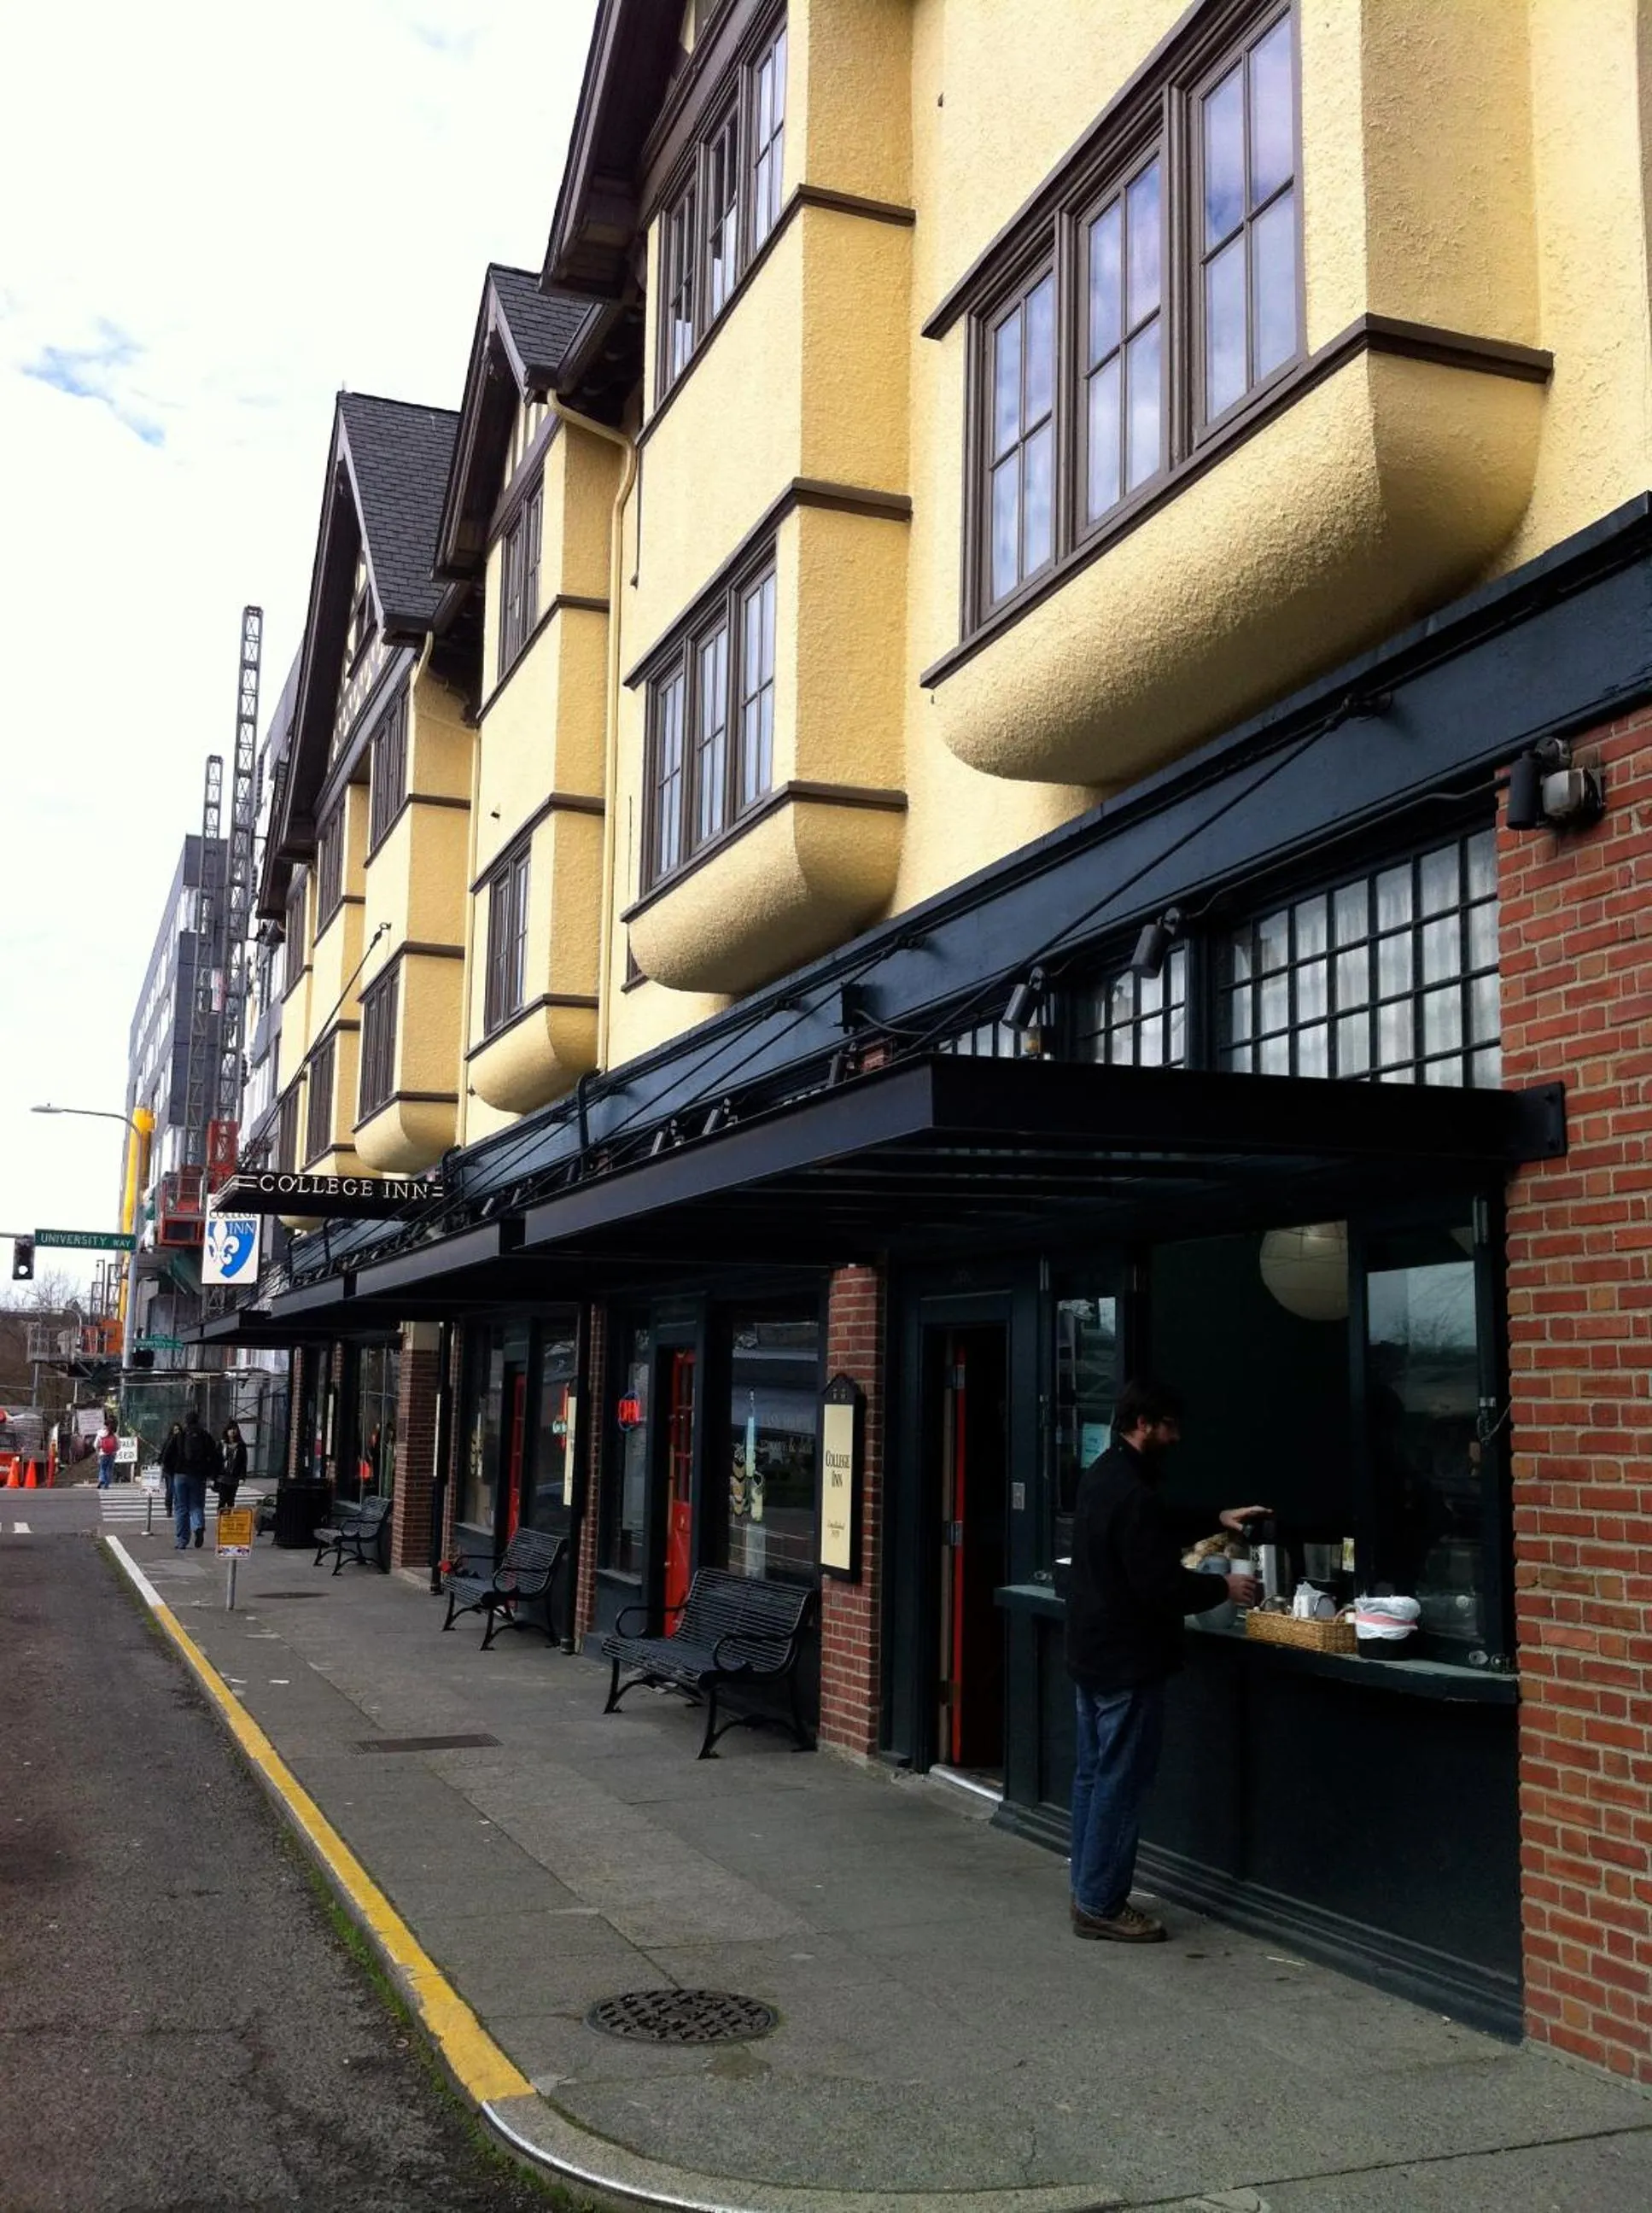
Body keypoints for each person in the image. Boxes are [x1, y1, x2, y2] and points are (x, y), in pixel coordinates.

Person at [1065, 1378, 1267, 1944]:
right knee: (1120, 1784)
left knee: (1091, 1777)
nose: (1176, 1437)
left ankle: (1087, 1889)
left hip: (1090, 1650)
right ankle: (1102, 1903)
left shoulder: (1104, 1475)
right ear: (1143, 1424)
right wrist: (1222, 1588)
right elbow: (1159, 1585)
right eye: (1169, 1426)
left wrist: (1216, 1517)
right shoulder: (1132, 1491)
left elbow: (1151, 1525)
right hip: (1127, 1659)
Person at [161, 1411, 221, 1551]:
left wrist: (171, 1471)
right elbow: (215, 1456)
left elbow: (166, 1456)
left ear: (186, 1422)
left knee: (181, 1507)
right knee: (197, 1504)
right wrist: (212, 1474)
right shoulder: (205, 1436)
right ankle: (198, 1525)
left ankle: (182, 1540)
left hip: (180, 1475)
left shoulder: (179, 1436)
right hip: (198, 1476)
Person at [217, 1422, 247, 1515]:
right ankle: (221, 1518)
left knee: (231, 1500)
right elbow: (216, 1460)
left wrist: (242, 1477)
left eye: (235, 1429)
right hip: (222, 1476)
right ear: (226, 1431)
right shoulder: (221, 1444)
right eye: (230, 1429)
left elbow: (243, 1462)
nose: (233, 1431)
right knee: (222, 1499)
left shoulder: (241, 1446)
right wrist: (213, 1476)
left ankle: (229, 1518)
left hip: (234, 1477)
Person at [95, 1422, 120, 1490]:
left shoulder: (100, 1434)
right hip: (112, 1454)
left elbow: (95, 1445)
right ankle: (106, 1484)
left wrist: (98, 1451)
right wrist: (115, 1451)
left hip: (103, 1453)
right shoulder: (114, 1435)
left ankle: (102, 1480)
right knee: (109, 1469)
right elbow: (118, 1446)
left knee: (103, 1468)